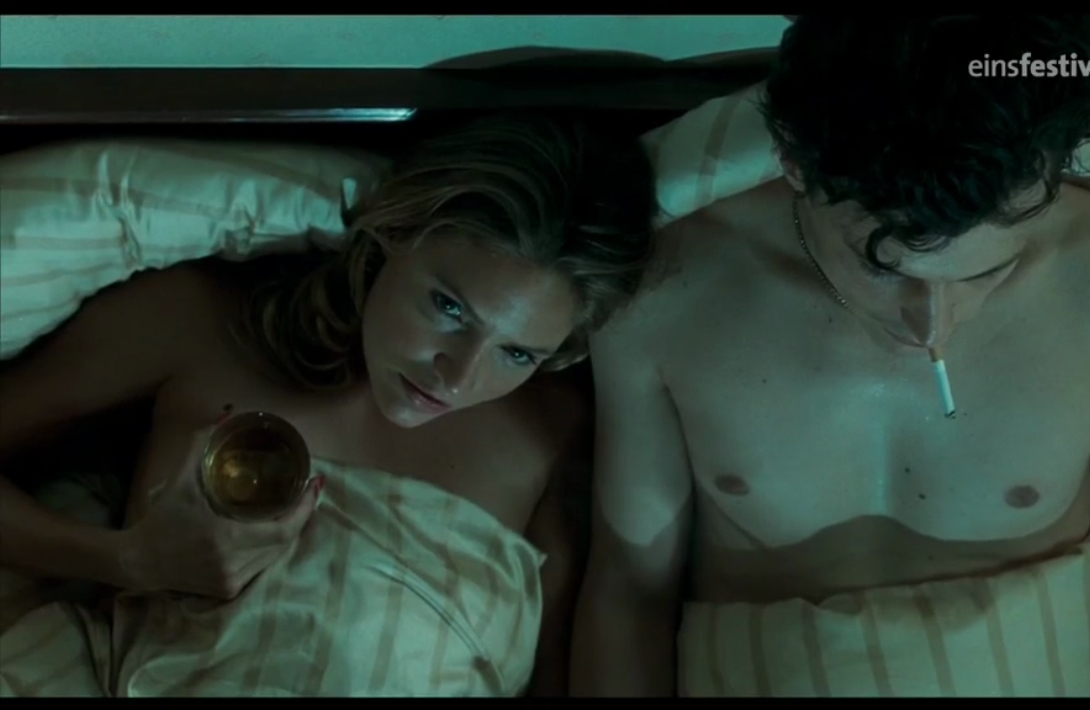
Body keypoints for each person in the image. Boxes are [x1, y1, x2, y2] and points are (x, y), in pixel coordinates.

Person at [571, 16, 1090, 697]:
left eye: (988, 273)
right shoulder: (669, 292)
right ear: (793, 163)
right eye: (882, 269)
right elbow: (629, 582)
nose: (932, 324)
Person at [0, 113, 657, 697]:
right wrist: (125, 560)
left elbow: (558, 673)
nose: (459, 378)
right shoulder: (202, 327)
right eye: (448, 308)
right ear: (393, 234)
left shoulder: (557, 431)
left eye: (516, 353)